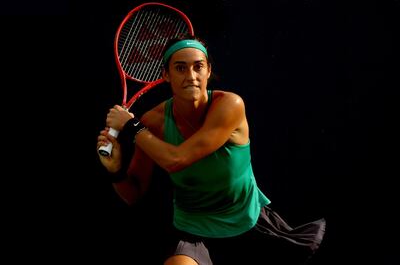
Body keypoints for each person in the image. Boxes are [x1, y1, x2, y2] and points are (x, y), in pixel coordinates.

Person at [97, 35, 326, 265]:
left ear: (208, 71)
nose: (191, 76)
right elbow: (133, 193)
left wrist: (132, 125)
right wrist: (116, 171)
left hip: (247, 223)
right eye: (180, 68)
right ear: (166, 75)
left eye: (198, 67)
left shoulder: (230, 105)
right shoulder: (153, 123)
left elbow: (178, 159)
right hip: (194, 231)